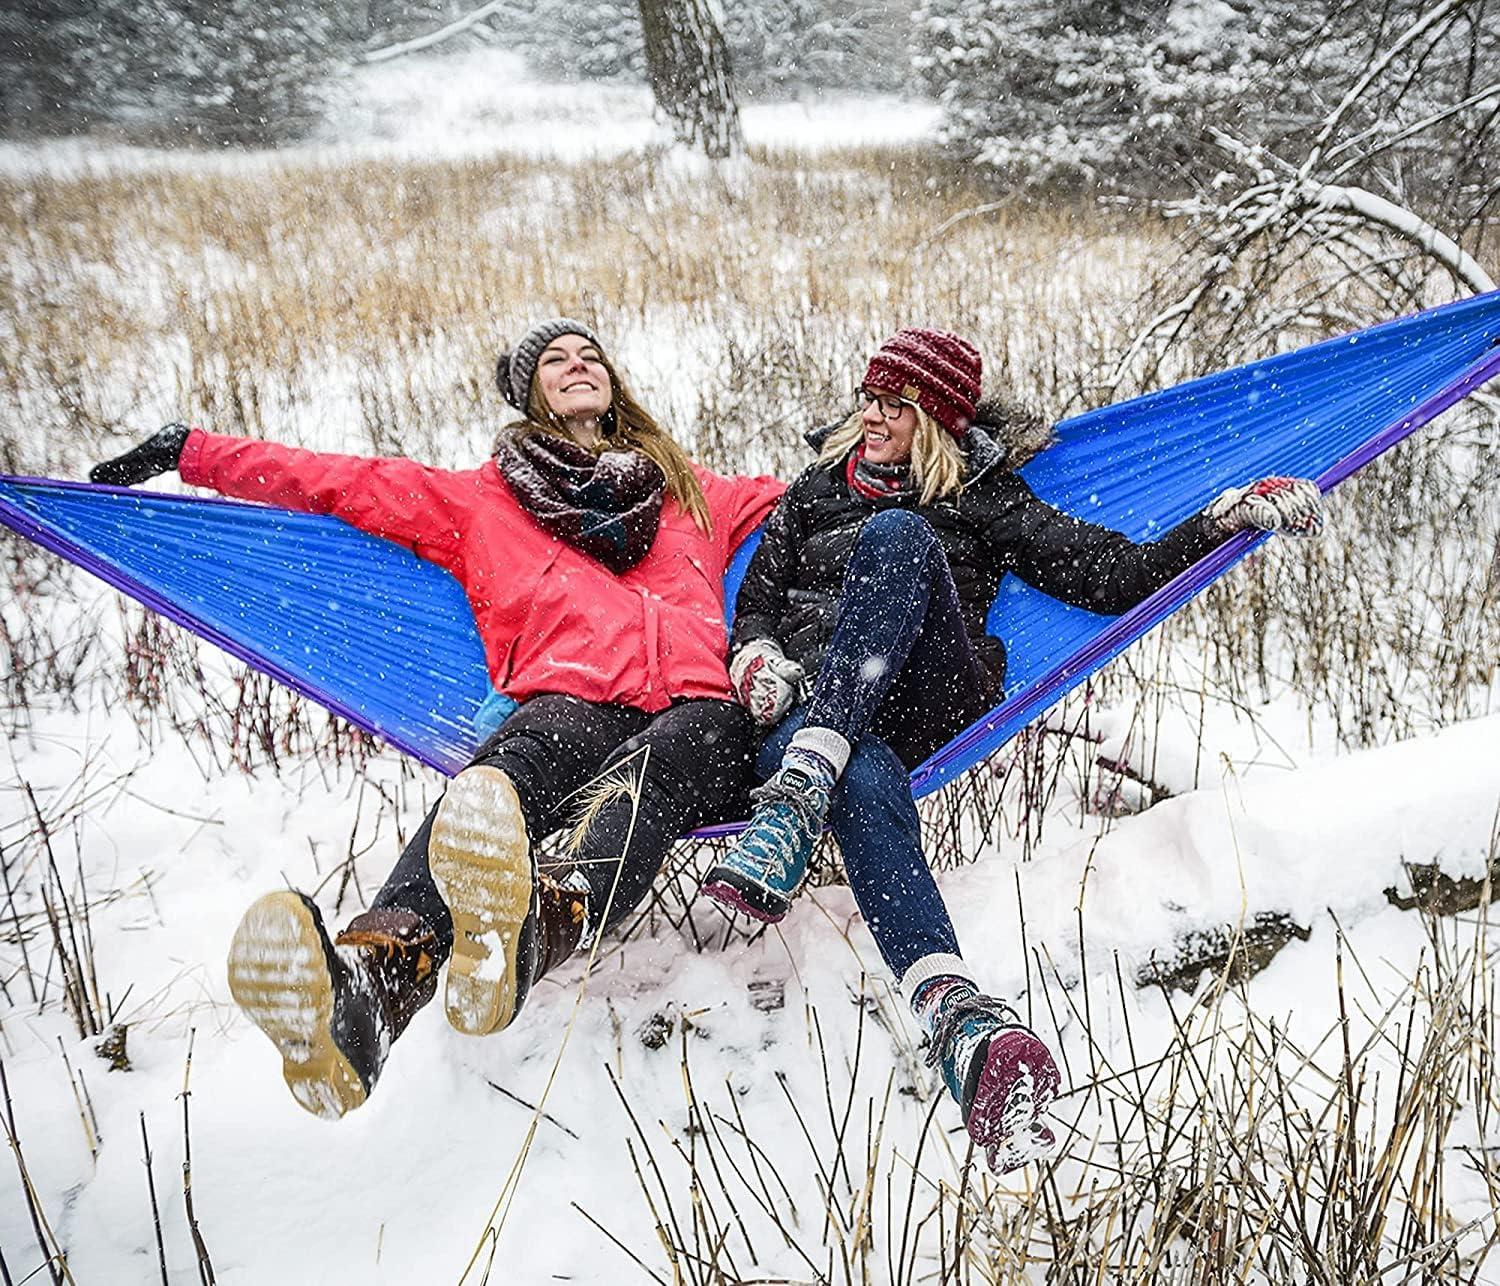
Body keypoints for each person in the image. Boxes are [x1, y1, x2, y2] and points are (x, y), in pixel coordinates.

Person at [90, 319, 783, 1120]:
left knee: (653, 770)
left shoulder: (690, 490)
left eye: (590, 355)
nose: (577, 365)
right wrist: (194, 452)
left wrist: (947, 439)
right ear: (532, 395)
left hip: (699, 710)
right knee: (497, 787)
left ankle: (530, 936)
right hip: (569, 700)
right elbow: (339, 480)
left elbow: (829, 496)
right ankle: (367, 998)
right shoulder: (478, 500)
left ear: (613, 382)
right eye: (556, 361)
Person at [701, 327, 1324, 1172]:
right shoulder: (811, 492)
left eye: (898, 406)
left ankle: (801, 790)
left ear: (940, 423)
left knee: (897, 539)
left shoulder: (985, 497)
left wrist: (1218, 520)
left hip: (927, 690)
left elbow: (1109, 574)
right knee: (861, 770)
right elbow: (758, 607)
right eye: (872, 399)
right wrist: (758, 659)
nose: (874, 417)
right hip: (820, 708)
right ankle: (960, 1019)